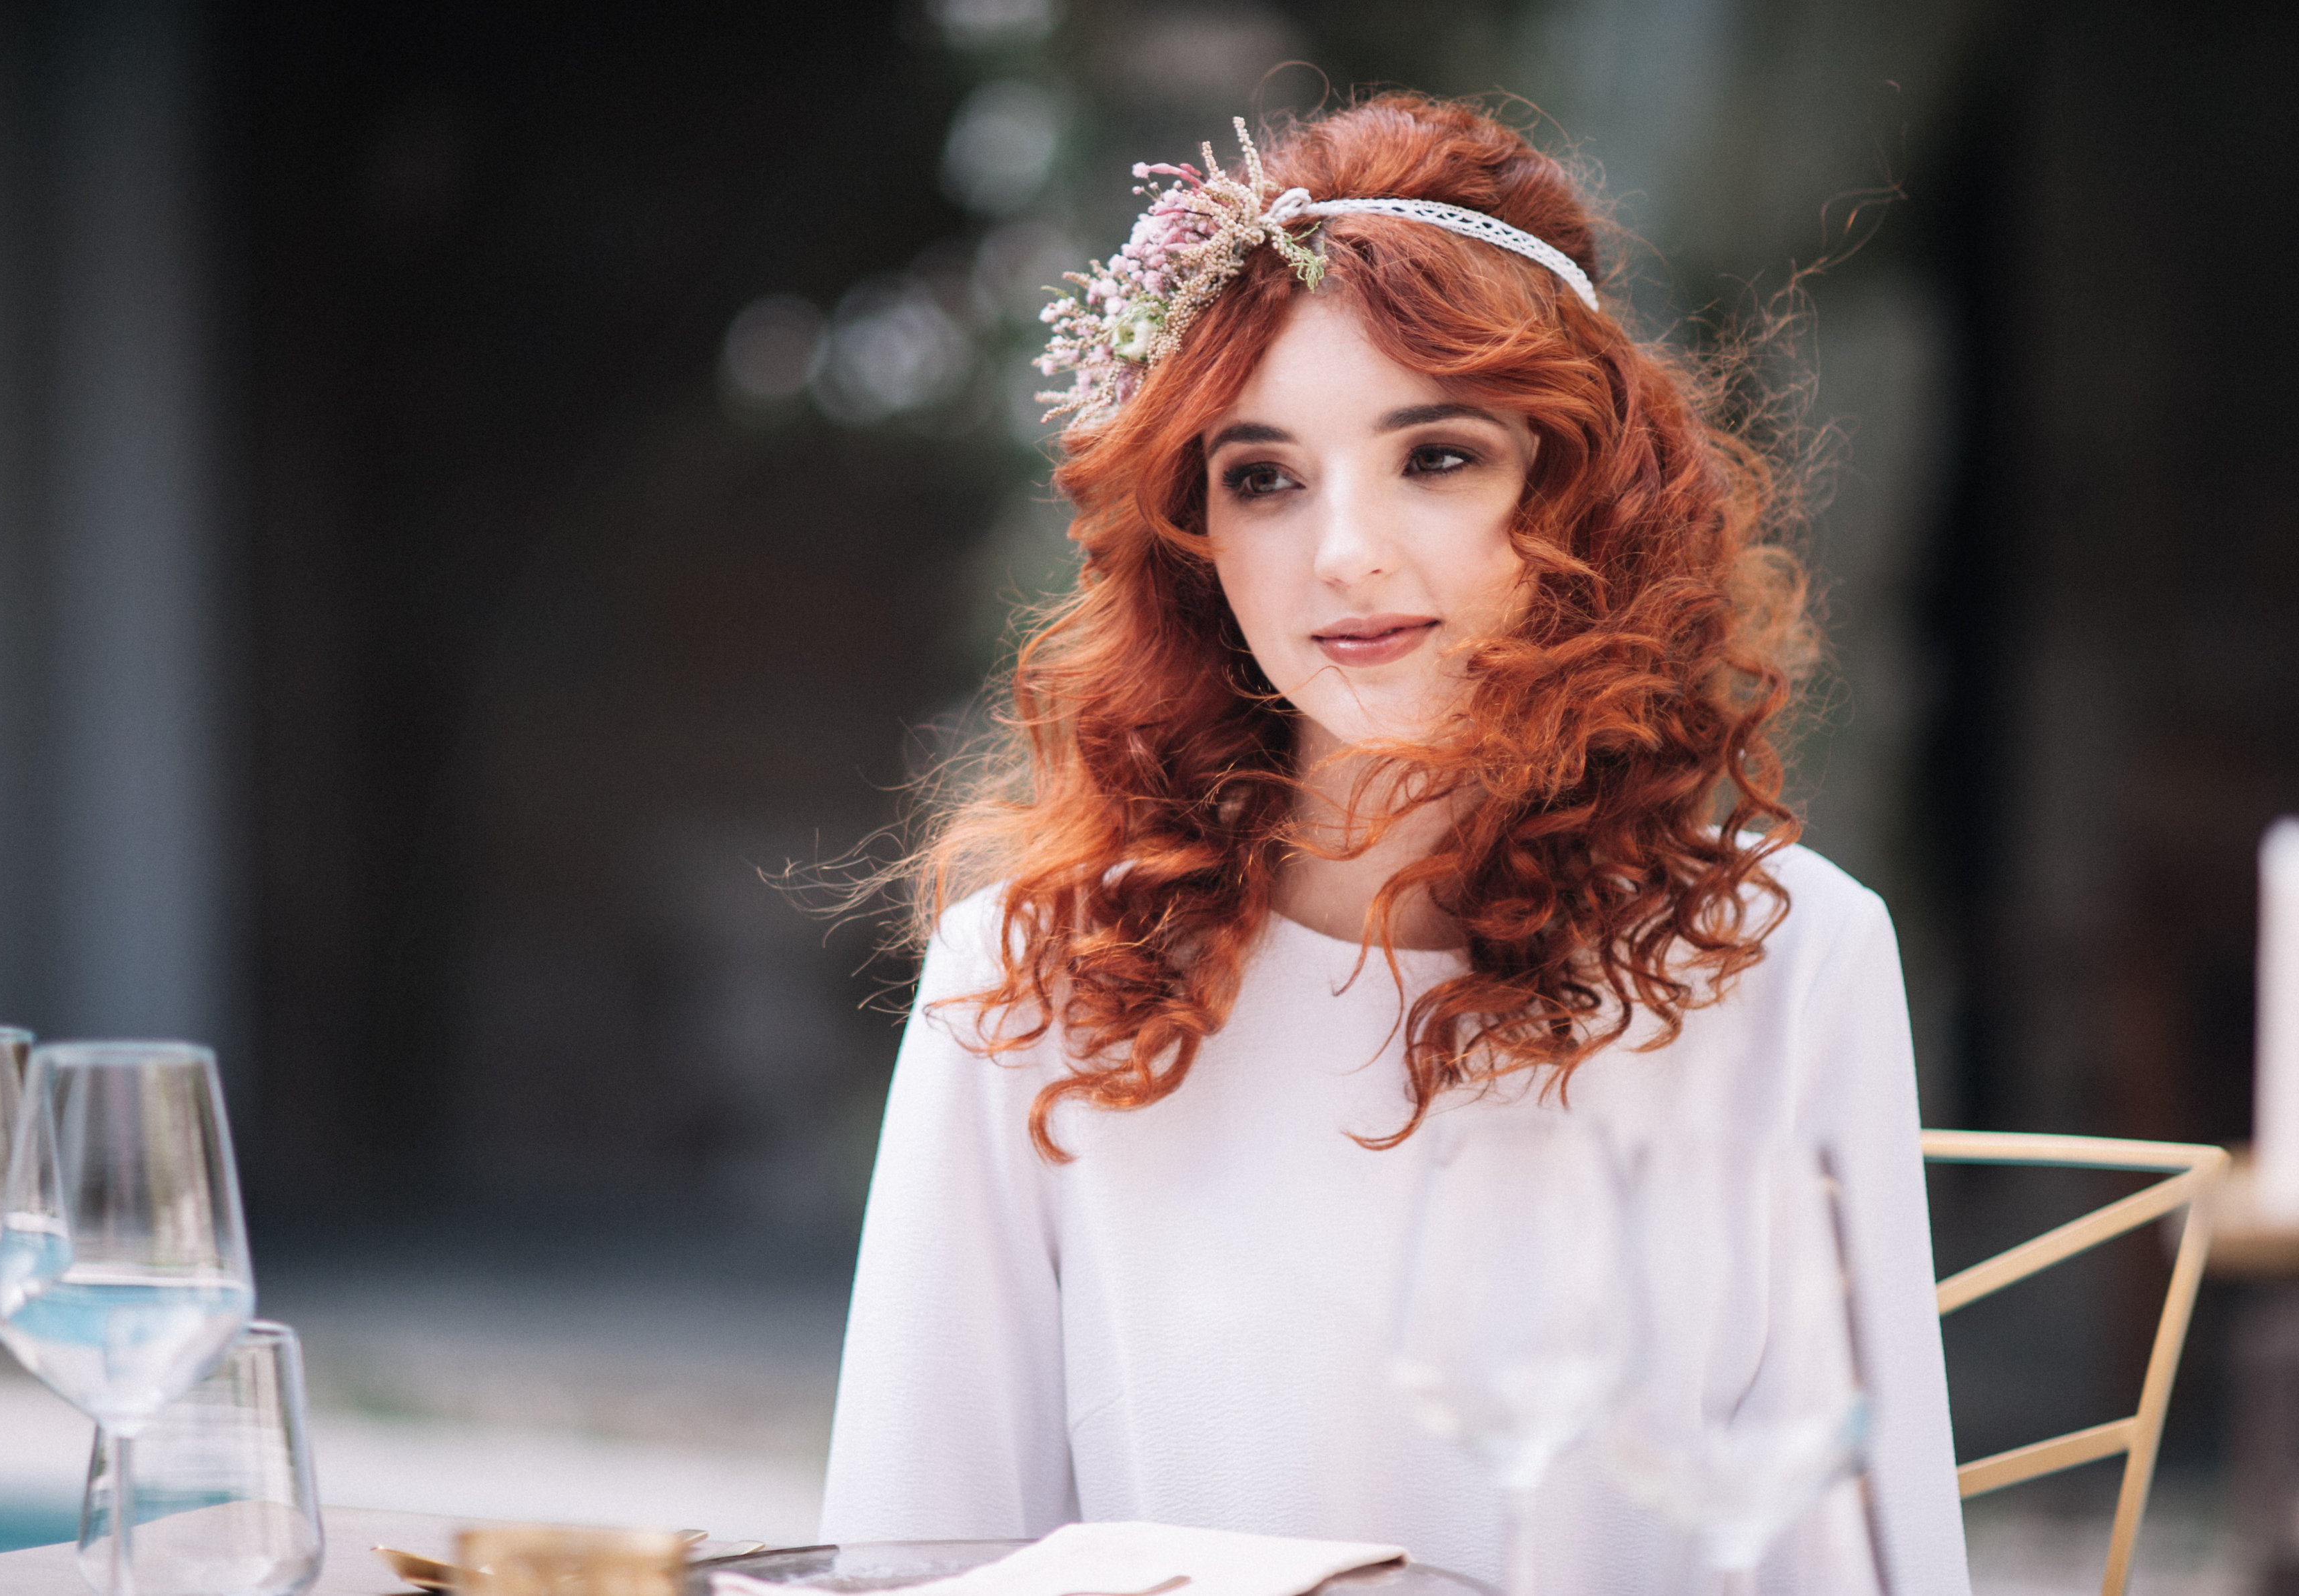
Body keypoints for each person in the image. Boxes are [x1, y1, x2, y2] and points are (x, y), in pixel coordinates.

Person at [818, 94, 1970, 1593]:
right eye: (1264, 476)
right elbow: (911, 1559)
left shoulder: (1790, 962)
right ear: (1193, 539)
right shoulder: (1034, 979)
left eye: (1435, 457)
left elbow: (1860, 1557)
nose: (1344, 552)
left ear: (1578, 491)